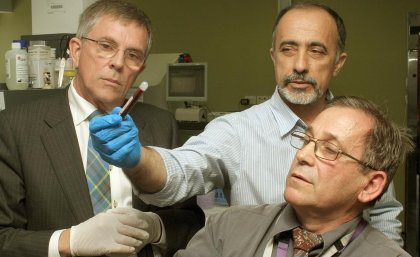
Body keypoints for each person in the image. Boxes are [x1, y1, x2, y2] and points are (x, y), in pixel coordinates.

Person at [90, 2, 404, 245]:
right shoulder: (236, 131)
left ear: (338, 62)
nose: (299, 65)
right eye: (288, 49)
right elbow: (180, 170)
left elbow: (384, 215)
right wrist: (137, 159)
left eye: (317, 51)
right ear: (273, 57)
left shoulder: (364, 132)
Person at [0, 0, 204, 257]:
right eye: (106, 46)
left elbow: (192, 222)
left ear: (140, 68)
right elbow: (4, 238)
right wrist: (69, 241)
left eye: (133, 55)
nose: (118, 63)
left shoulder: (161, 125)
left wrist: (157, 227)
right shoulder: (15, 127)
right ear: (76, 50)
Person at [174, 96, 414, 257]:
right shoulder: (227, 229)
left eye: (330, 149)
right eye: (307, 141)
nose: (303, 156)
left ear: (371, 185)